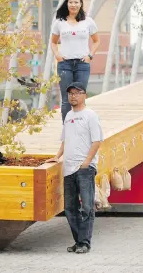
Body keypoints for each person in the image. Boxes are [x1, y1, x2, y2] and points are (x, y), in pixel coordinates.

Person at [46, 81, 103, 254]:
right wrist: (57, 156)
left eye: (77, 93)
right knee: (70, 208)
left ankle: (85, 243)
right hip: (68, 168)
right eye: (70, 93)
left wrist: (87, 162)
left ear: (84, 95)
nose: (73, 96)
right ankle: (78, 241)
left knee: (86, 206)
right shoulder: (68, 116)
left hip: (84, 168)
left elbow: (97, 140)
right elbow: (65, 140)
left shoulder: (90, 115)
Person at [51, 0, 100, 123]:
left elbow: (96, 41)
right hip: (64, 64)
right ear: (67, 4)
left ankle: (80, 126)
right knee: (67, 99)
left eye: (76, 2)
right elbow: (53, 42)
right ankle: (67, 130)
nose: (73, 4)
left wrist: (90, 55)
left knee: (79, 97)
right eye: (71, 2)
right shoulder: (59, 22)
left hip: (82, 65)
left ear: (80, 4)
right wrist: (57, 55)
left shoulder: (88, 21)